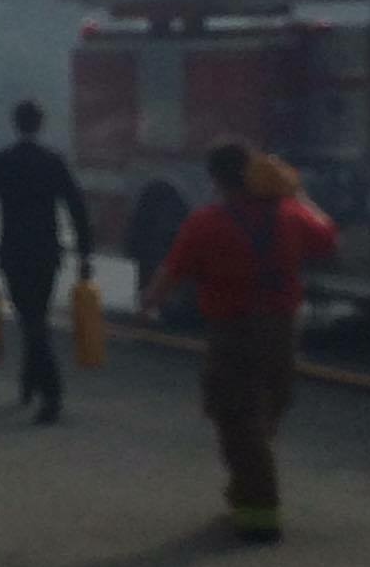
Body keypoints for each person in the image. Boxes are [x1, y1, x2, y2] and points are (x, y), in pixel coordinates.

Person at [141, 140, 338, 543]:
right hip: (282, 330)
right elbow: (329, 239)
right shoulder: (290, 214)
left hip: (232, 332)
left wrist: (150, 302)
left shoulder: (205, 223)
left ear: (214, 179)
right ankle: (245, 489)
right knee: (267, 406)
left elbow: (171, 272)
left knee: (235, 415)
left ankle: (259, 511)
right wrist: (298, 194)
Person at [0, 99, 93, 424]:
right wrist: (85, 254)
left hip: (13, 253)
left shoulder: (0, 161)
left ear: (15, 123)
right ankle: (32, 382)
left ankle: (49, 392)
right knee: (36, 316)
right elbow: (77, 208)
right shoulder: (53, 161)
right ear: (40, 124)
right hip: (47, 253)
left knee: (30, 319)